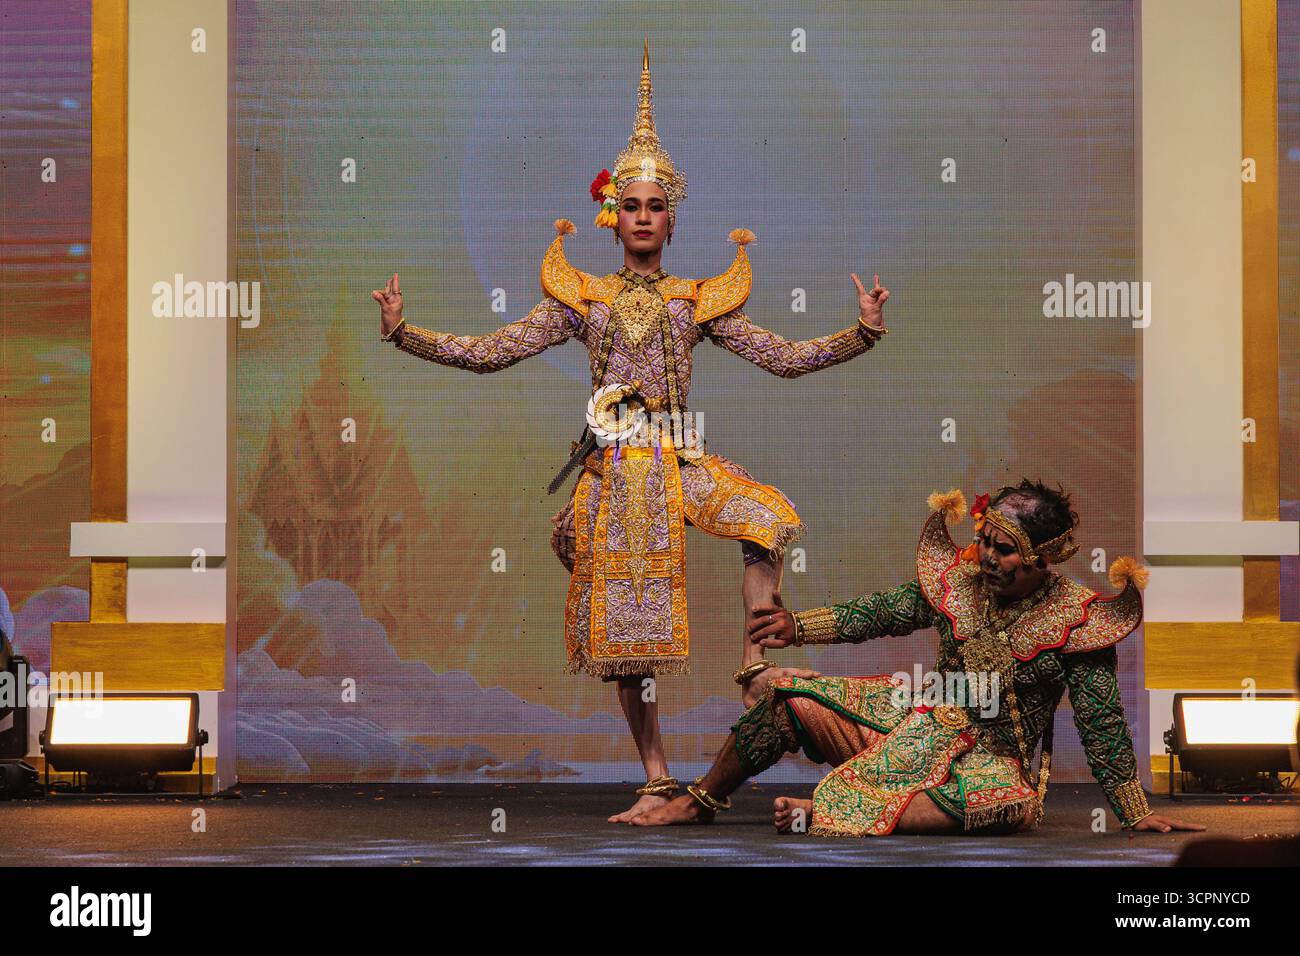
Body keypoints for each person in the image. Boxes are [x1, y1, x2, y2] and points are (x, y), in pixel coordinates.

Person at [372, 42, 891, 823]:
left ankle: (754, 662)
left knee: (769, 518)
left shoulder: (693, 301)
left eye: (657, 207)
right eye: (632, 206)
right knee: (631, 639)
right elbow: (490, 353)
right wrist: (404, 332)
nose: (644, 218)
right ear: (612, 215)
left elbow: (781, 359)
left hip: (678, 457)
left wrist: (861, 334)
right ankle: (656, 775)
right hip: (616, 475)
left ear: (673, 220)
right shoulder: (583, 297)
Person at [632, 480, 1206, 836]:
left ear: (1042, 559)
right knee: (788, 699)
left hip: (990, 761)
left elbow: (1101, 724)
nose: (985, 557)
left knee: (1011, 807)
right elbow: (883, 612)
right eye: (984, 541)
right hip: (913, 717)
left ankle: (827, 812)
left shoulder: (1079, 623)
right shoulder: (958, 576)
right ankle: (703, 800)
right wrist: (796, 625)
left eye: (1003, 551)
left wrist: (1133, 811)